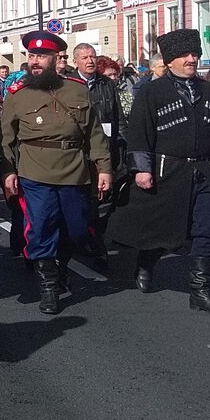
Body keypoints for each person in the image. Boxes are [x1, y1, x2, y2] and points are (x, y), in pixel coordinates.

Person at [108, 30, 210, 318]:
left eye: (195, 54)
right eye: (185, 55)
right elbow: (140, 133)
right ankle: (147, 260)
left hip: (205, 170)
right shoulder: (152, 93)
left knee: (209, 228)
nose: (192, 59)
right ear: (169, 60)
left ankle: (201, 292)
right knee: (166, 231)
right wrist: (141, 170)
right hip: (167, 170)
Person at [0, 32, 112, 314]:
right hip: (35, 171)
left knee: (77, 229)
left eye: (41, 56)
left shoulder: (77, 90)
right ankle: (49, 285)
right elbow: (4, 139)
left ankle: (61, 264)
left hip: (74, 170)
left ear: (56, 58)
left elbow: (94, 134)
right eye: (31, 56)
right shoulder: (18, 94)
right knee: (42, 226)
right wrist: (8, 170)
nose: (35, 62)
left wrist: (104, 167)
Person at [72, 42, 125, 270]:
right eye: (84, 57)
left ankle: (97, 246)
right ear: (76, 61)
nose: (90, 61)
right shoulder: (68, 84)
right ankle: (81, 238)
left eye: (92, 56)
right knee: (80, 201)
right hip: (76, 154)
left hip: (104, 151)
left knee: (100, 201)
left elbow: (118, 116)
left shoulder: (107, 85)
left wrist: (124, 144)